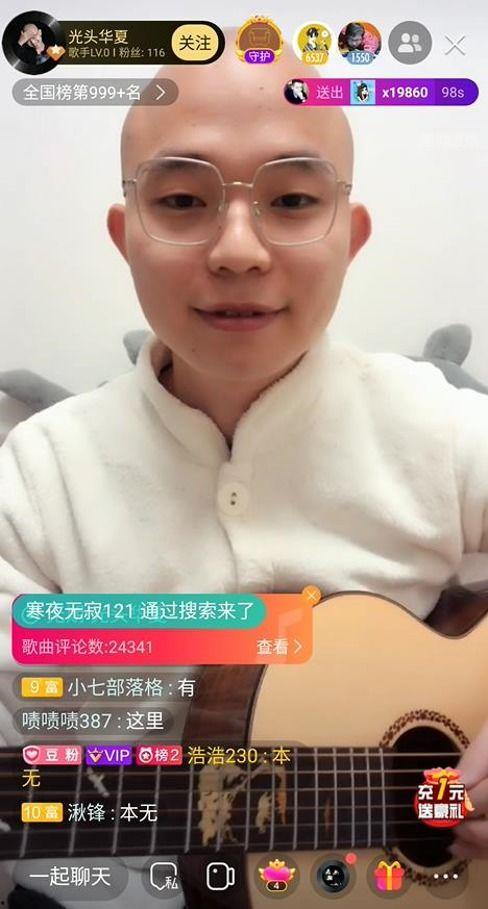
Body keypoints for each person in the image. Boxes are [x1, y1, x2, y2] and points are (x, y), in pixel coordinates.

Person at [2, 39, 488, 909]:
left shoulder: (446, 430)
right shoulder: (35, 480)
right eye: (182, 200)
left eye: (293, 199)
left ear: (351, 235)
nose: (237, 250)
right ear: (125, 235)